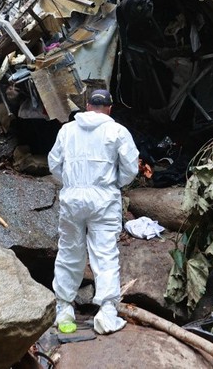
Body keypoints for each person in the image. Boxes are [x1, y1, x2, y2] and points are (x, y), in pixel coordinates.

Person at [47, 88, 139, 334]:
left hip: (73, 198)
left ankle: (64, 308)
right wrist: (113, 184)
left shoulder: (67, 130)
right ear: (109, 108)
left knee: (69, 252)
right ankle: (107, 313)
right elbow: (131, 168)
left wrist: (72, 183)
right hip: (104, 199)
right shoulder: (117, 131)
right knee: (105, 254)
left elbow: (54, 164)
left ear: (87, 106)